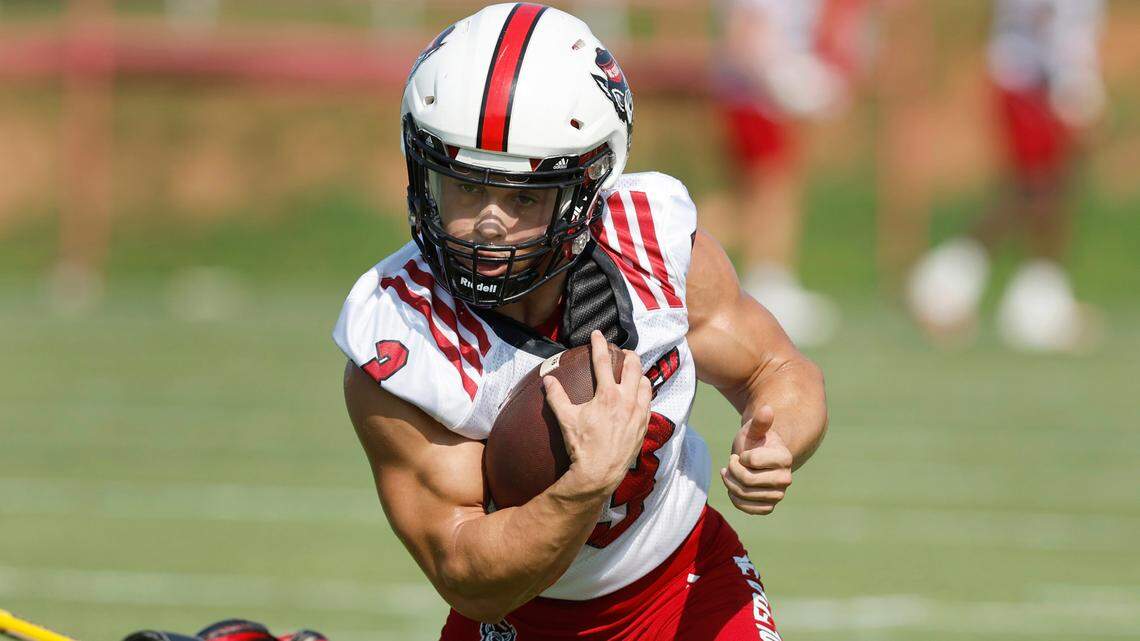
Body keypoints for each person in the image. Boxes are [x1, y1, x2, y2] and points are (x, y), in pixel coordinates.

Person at [334, 4, 827, 639]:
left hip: (685, 582)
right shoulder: (400, 335)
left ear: (588, 187)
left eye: (522, 195)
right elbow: (464, 573)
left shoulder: (651, 242)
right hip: (519, 618)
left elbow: (777, 368)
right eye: (464, 185)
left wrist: (778, 437)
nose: (489, 223)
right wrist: (587, 483)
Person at [907, 0, 1105, 352]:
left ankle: (1033, 301)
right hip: (1030, 78)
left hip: (1044, 78)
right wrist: (1069, 79)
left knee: (1048, 189)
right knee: (1036, 189)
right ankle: (950, 286)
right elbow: (1043, 14)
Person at [709, 0, 868, 347]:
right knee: (768, 193)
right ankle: (764, 281)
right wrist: (787, 79)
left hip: (763, 97)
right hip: (752, 96)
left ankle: (770, 278)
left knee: (769, 195)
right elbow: (742, 36)